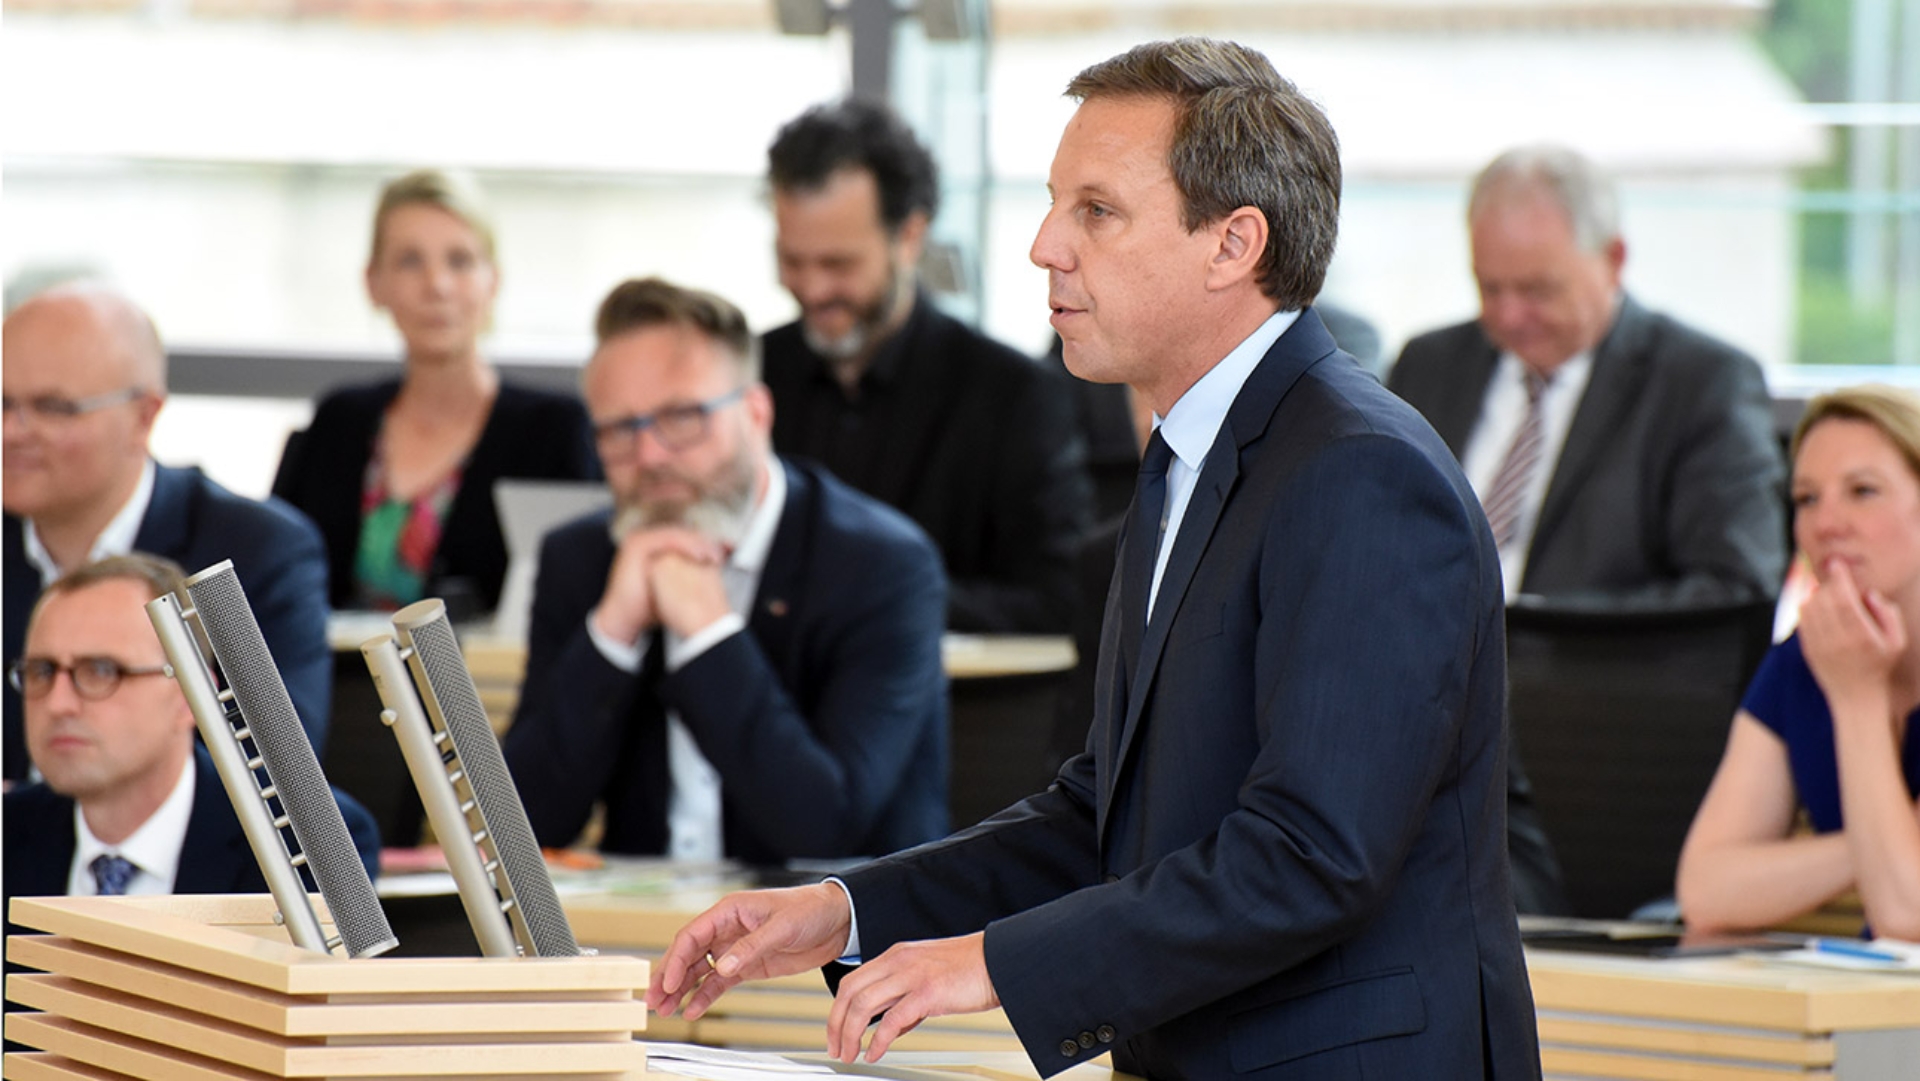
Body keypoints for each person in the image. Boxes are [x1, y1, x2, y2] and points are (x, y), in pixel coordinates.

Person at [647, 38, 1539, 1080]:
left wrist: (991, 963)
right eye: (1052, 204)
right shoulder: (1187, 459)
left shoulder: (1361, 472)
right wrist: (847, 909)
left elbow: (1311, 856)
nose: (1044, 247)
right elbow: (1108, 815)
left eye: (1097, 212)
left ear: (1233, 243)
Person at [502, 277, 949, 864]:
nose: (650, 456)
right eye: (619, 430)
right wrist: (612, 634)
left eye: (682, 417)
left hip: (838, 921)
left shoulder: (881, 565)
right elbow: (521, 829)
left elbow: (826, 826)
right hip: (634, 917)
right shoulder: (582, 558)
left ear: (756, 413)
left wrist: (708, 634)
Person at [1388, 145, 1787, 610]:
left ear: (1613, 260)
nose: (1509, 316)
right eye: (1489, 288)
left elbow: (1735, 589)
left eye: (1537, 290)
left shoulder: (1701, 385)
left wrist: (1539, 626)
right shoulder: (1428, 366)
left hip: (1593, 655)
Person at [760, 99, 1092, 634]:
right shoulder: (749, 374)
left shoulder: (1013, 395)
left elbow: (1061, 600)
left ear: (910, 236)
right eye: (792, 261)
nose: (813, 290)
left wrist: (880, 597)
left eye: (838, 264)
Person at [3, 284, 332, 782]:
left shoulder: (250, 554)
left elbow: (276, 775)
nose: (11, 431)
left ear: (144, 416)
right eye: (3, 402)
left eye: (53, 407)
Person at [271, 168, 599, 618]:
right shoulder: (338, 421)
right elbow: (273, 572)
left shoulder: (554, 431)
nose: (437, 285)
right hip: (333, 666)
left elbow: (577, 595)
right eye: (410, 261)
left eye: (459, 261)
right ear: (373, 283)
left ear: (493, 280)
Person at [3, 554, 380, 917]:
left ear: (192, 695)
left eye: (101, 670)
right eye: (42, 671)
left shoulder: (312, 839)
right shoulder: (11, 830)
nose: (58, 704)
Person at [1677, 385, 1920, 938]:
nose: (1825, 524)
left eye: (1862, 491)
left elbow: (1908, 912)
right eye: (1807, 499)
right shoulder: (1809, 657)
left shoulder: (1840, 666)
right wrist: (1880, 845)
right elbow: (1706, 890)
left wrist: (1857, 698)